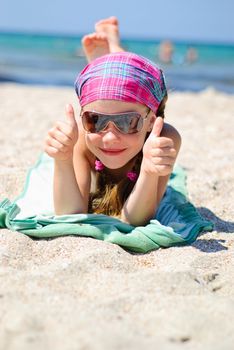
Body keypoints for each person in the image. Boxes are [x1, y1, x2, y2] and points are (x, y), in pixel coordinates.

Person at [44, 17, 181, 227]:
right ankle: (109, 56)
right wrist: (62, 160)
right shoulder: (83, 137)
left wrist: (148, 172)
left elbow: (135, 220)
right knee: (115, 91)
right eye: (95, 119)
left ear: (151, 121)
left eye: (128, 122)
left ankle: (112, 51)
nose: (109, 137)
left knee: (125, 85)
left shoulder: (165, 137)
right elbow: (69, 213)